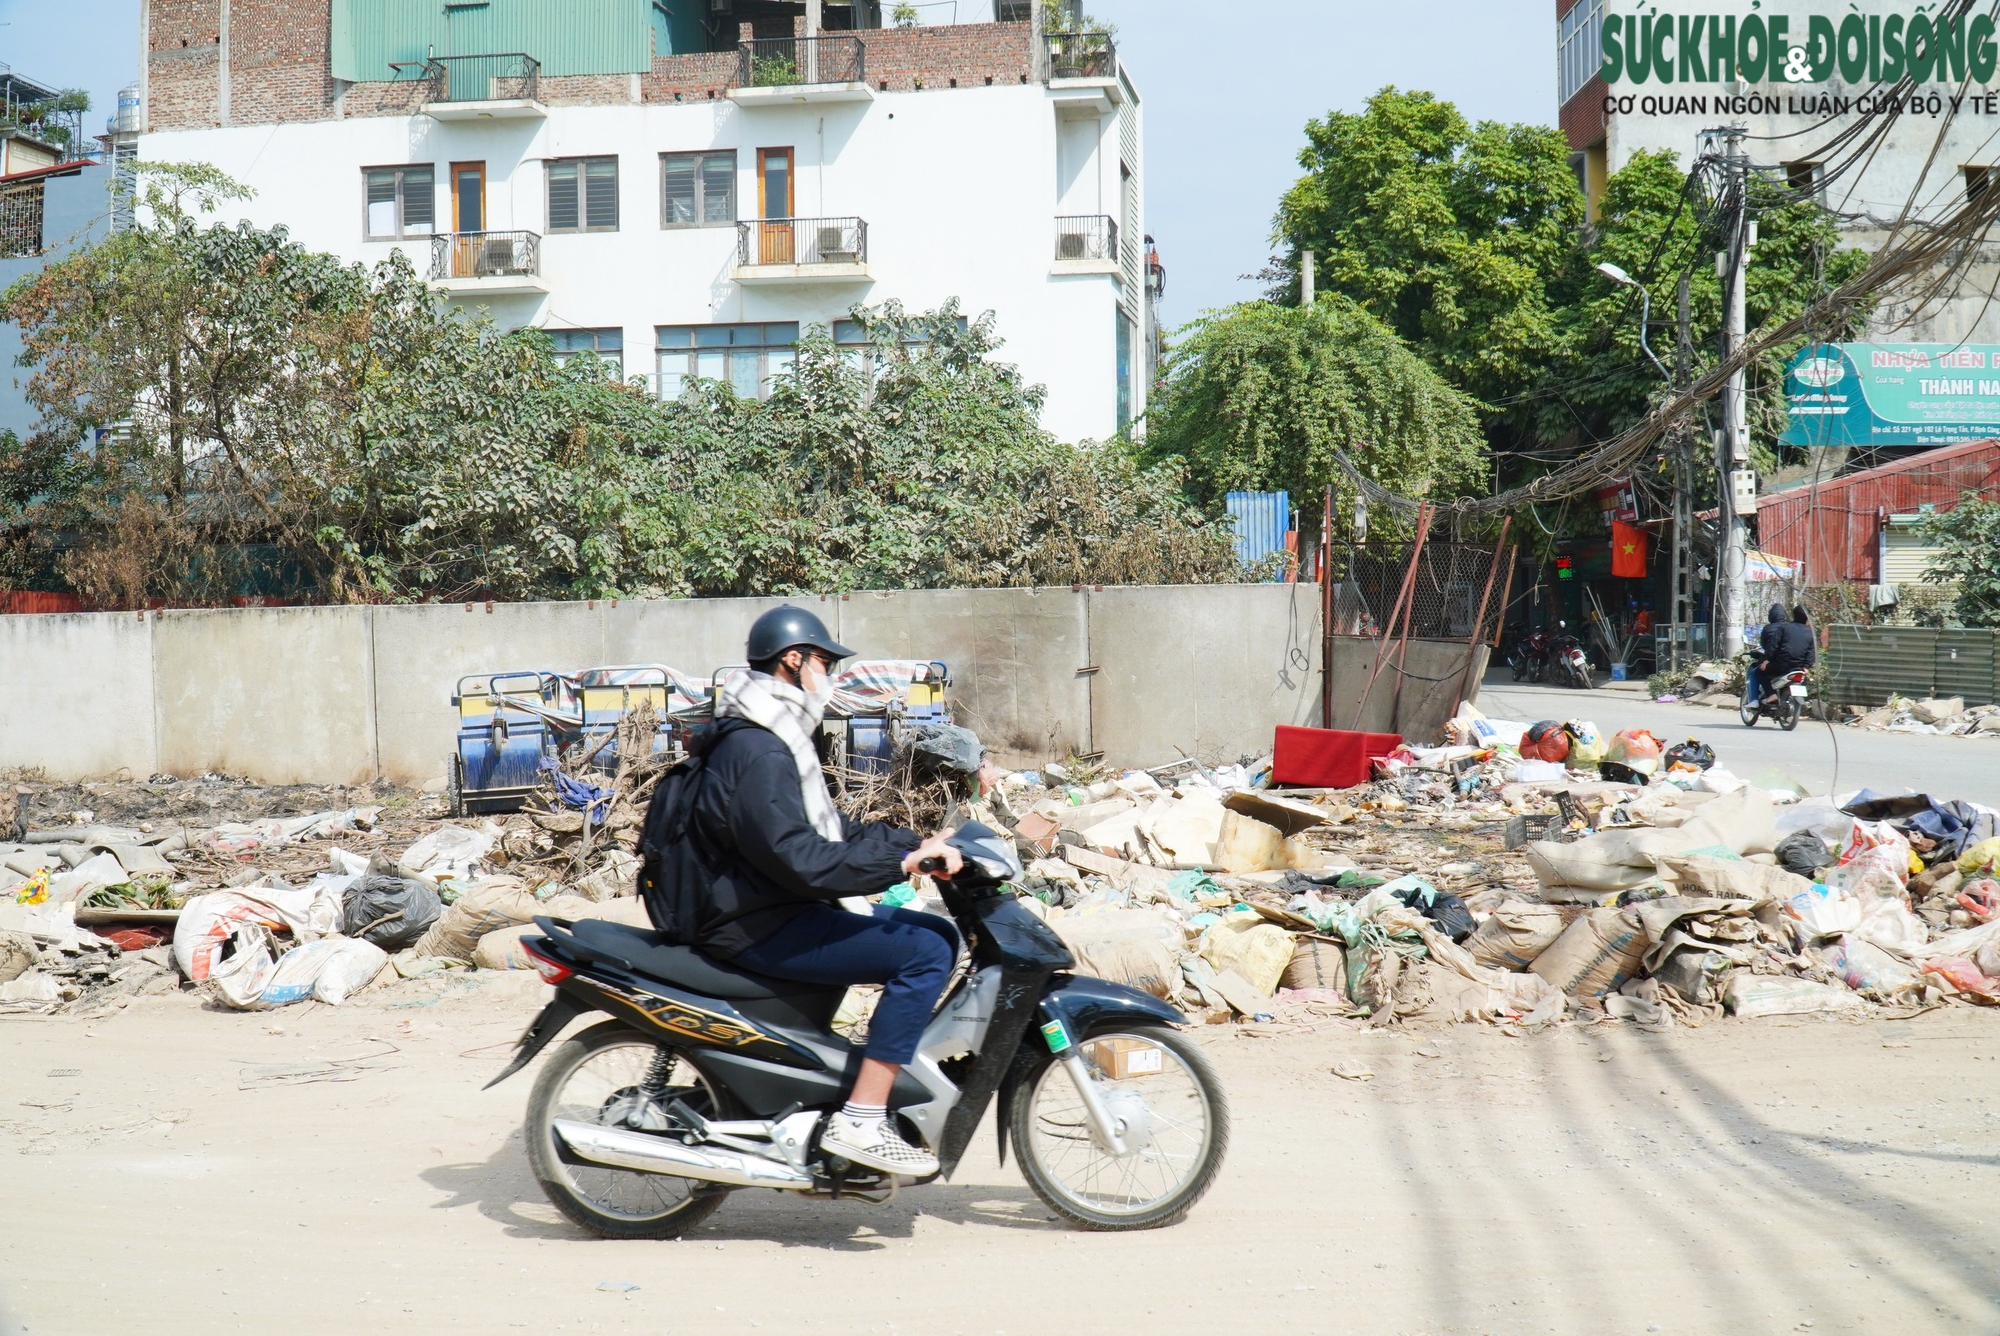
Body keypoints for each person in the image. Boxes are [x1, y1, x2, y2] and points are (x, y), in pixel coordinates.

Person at [677, 605, 962, 1177]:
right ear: (793, 661)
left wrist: (913, 841)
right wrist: (901, 862)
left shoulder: (775, 733)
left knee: (931, 929)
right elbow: (802, 859)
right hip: (755, 922)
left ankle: (848, 1078)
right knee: (925, 950)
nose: (829, 675)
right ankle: (861, 1117)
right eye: (824, 661)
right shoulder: (759, 749)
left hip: (763, 906)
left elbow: (828, 829)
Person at [1751, 602, 1818, 706]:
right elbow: (1811, 651)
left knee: (1759, 672)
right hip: (1798, 667)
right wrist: (1806, 666)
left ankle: (1771, 694)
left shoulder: (1785, 628)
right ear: (1807, 618)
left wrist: (1767, 660)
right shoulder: (1811, 633)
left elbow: (1773, 646)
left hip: (1780, 664)